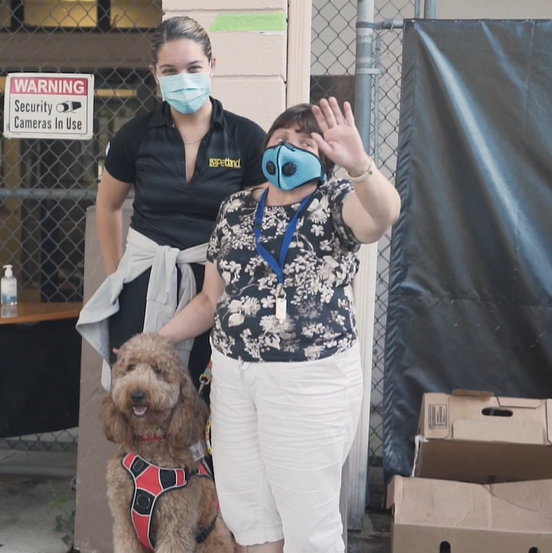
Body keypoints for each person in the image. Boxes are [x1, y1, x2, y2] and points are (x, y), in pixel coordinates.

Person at [157, 98, 401, 553]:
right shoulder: (234, 209)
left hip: (309, 382)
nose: (288, 148)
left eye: (305, 143)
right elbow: (211, 298)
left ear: (323, 160)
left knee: (308, 520)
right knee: (249, 515)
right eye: (281, 139)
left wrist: (360, 166)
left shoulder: (335, 202)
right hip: (234, 377)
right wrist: (157, 339)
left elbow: (383, 217)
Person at [76, 16, 267, 394]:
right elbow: (108, 207)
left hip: (215, 285)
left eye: (194, 67)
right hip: (145, 280)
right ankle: (140, 459)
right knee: (137, 396)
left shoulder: (246, 137)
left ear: (212, 67)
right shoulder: (135, 136)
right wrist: (119, 277)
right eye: (170, 70)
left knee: (205, 398)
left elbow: (263, 220)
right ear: (155, 75)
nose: (184, 78)